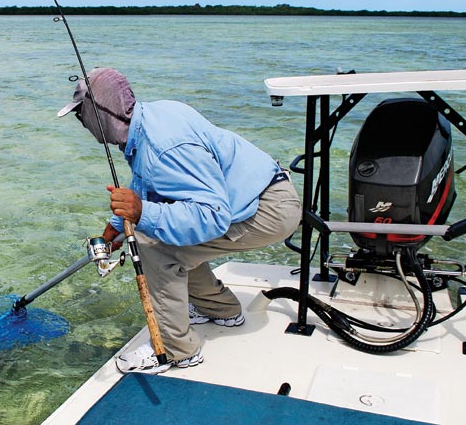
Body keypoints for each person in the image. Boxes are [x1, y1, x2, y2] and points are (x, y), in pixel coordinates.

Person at [58, 67, 301, 374]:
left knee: (152, 244)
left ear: (100, 112)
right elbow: (150, 182)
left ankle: (176, 351)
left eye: (82, 114)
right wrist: (114, 228)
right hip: (263, 192)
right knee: (167, 232)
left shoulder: (164, 147)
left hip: (266, 209)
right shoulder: (154, 118)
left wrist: (142, 213)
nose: (83, 123)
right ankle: (222, 310)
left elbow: (213, 216)